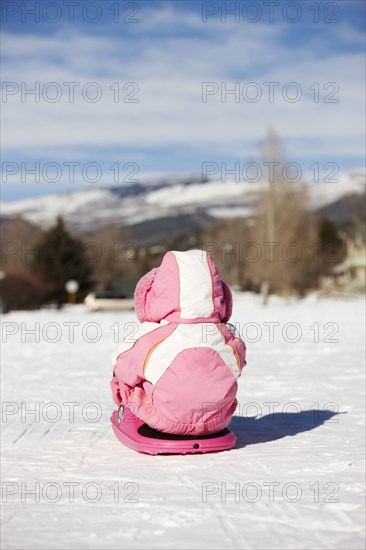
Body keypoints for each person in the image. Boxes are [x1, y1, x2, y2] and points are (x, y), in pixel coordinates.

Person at [111, 249, 246, 436]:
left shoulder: (154, 336)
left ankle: (125, 414)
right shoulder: (227, 335)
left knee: (124, 376)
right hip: (218, 419)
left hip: (163, 419)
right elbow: (239, 363)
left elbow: (122, 365)